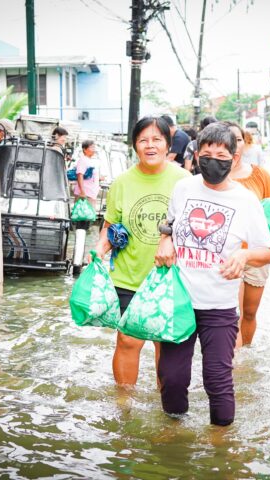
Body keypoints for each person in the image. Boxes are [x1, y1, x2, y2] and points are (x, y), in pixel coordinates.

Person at [154, 122, 270, 426]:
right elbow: (169, 223)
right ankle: (174, 434)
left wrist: (245, 254)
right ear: (195, 155)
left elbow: (268, 251)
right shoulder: (184, 188)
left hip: (219, 308)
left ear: (234, 160)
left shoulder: (245, 200)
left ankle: (222, 447)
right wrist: (165, 240)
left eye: (222, 155)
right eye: (206, 154)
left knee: (217, 380)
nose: (213, 161)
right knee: (171, 377)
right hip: (180, 301)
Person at [94, 116, 190, 387]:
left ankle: (164, 401)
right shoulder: (122, 183)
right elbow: (111, 226)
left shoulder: (184, 180)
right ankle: (124, 406)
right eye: (143, 140)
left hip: (169, 277)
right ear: (134, 145)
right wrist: (101, 247)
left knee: (164, 343)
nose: (150, 146)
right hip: (128, 274)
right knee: (127, 340)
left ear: (168, 144)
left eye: (157, 139)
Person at [222, 121, 270, 349]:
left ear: (245, 142)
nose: (234, 145)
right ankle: (233, 368)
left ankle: (245, 353)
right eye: (228, 139)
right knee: (230, 315)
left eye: (239, 139)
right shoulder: (212, 176)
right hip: (225, 255)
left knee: (250, 312)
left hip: (257, 253)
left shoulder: (259, 174)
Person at [74, 140, 100, 210]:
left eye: (94, 147)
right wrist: (82, 192)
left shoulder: (89, 160)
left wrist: (99, 178)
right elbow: (80, 175)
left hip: (91, 193)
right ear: (84, 149)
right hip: (85, 194)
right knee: (83, 216)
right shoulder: (83, 160)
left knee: (89, 216)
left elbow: (89, 176)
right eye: (91, 147)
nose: (94, 149)